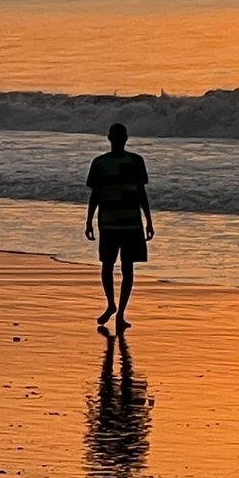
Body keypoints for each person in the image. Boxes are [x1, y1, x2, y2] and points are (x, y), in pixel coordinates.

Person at [85, 124, 153, 333]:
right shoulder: (122, 162)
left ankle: (118, 310)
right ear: (124, 138)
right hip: (122, 222)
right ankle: (117, 309)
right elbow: (141, 194)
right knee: (123, 268)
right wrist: (149, 220)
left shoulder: (109, 163)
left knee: (112, 266)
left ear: (110, 138)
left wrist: (89, 220)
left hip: (118, 222)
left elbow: (96, 196)